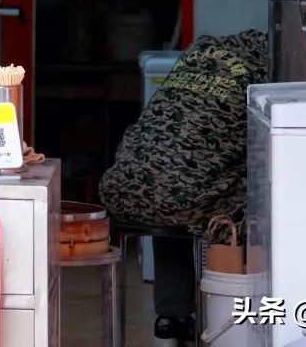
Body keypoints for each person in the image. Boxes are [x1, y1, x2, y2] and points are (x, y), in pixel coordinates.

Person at [98, 29, 268, 343]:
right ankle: (231, 320)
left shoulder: (194, 57)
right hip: (181, 196)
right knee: (252, 196)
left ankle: (171, 315)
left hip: (123, 187)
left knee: (171, 204)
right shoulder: (263, 76)